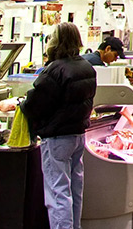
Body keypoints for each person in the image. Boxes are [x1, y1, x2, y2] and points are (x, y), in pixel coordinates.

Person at [21, 23, 97, 229]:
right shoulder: (86, 67)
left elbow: (35, 103)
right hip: (78, 135)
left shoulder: (55, 70)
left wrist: (22, 103)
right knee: (74, 189)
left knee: (58, 193)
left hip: (56, 138)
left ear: (57, 40)